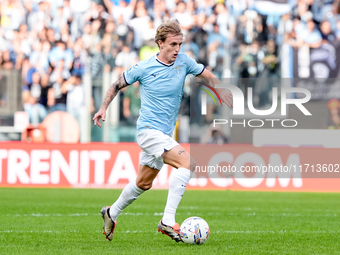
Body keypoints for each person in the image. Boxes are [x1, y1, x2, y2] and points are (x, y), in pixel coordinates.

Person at [92, 20, 233, 242]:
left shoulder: (184, 62)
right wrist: (102, 108)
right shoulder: (144, 67)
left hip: (164, 134)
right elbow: (116, 85)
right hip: (148, 132)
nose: (177, 49)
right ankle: (167, 220)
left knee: (143, 183)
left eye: (180, 44)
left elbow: (206, 73)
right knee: (187, 164)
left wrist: (221, 88)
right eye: (173, 44)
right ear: (160, 43)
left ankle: (111, 213)